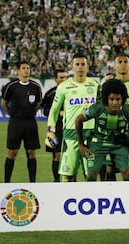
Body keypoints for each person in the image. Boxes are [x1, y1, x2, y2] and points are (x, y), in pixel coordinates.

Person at [46, 53, 100, 182]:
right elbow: (54, 110)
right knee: (67, 175)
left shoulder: (95, 85)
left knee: (91, 175)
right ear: (72, 67)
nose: (80, 67)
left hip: (90, 135)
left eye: (83, 64)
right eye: (77, 64)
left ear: (87, 67)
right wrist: (50, 131)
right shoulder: (64, 87)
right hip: (70, 134)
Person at [75, 79, 129, 181]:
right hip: (98, 143)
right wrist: (81, 144)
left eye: (118, 99)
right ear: (106, 99)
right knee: (91, 175)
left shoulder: (126, 110)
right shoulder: (98, 108)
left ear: (122, 99)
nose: (115, 103)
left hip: (119, 144)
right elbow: (78, 120)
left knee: (128, 174)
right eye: (111, 99)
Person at [1, 60, 43, 183]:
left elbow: (38, 103)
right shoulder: (11, 86)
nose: (26, 70)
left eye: (28, 68)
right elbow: (4, 103)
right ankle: (6, 182)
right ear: (18, 70)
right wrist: (11, 114)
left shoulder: (35, 86)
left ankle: (32, 182)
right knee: (12, 152)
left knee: (31, 152)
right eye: (24, 68)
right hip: (16, 123)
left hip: (30, 122)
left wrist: (30, 112)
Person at [40, 68, 68, 182]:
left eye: (65, 77)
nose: (63, 80)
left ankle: (72, 180)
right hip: (54, 129)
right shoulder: (50, 93)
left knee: (71, 156)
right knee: (56, 155)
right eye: (61, 77)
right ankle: (56, 181)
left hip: (70, 128)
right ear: (55, 79)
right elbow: (44, 110)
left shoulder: (72, 91)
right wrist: (57, 113)